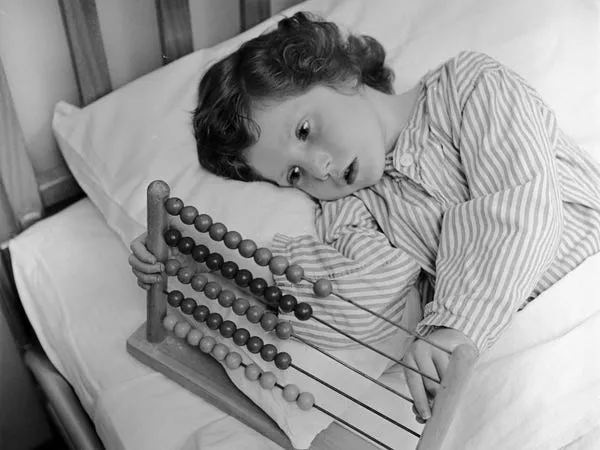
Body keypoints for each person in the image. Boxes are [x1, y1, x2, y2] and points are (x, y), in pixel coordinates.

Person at [129, 11, 600, 422]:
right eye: (293, 173)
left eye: (305, 129)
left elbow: (519, 206)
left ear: (340, 73)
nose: (318, 167)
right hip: (529, 369)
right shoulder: (347, 211)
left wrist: (453, 324)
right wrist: (193, 266)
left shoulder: (469, 86)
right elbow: (361, 309)